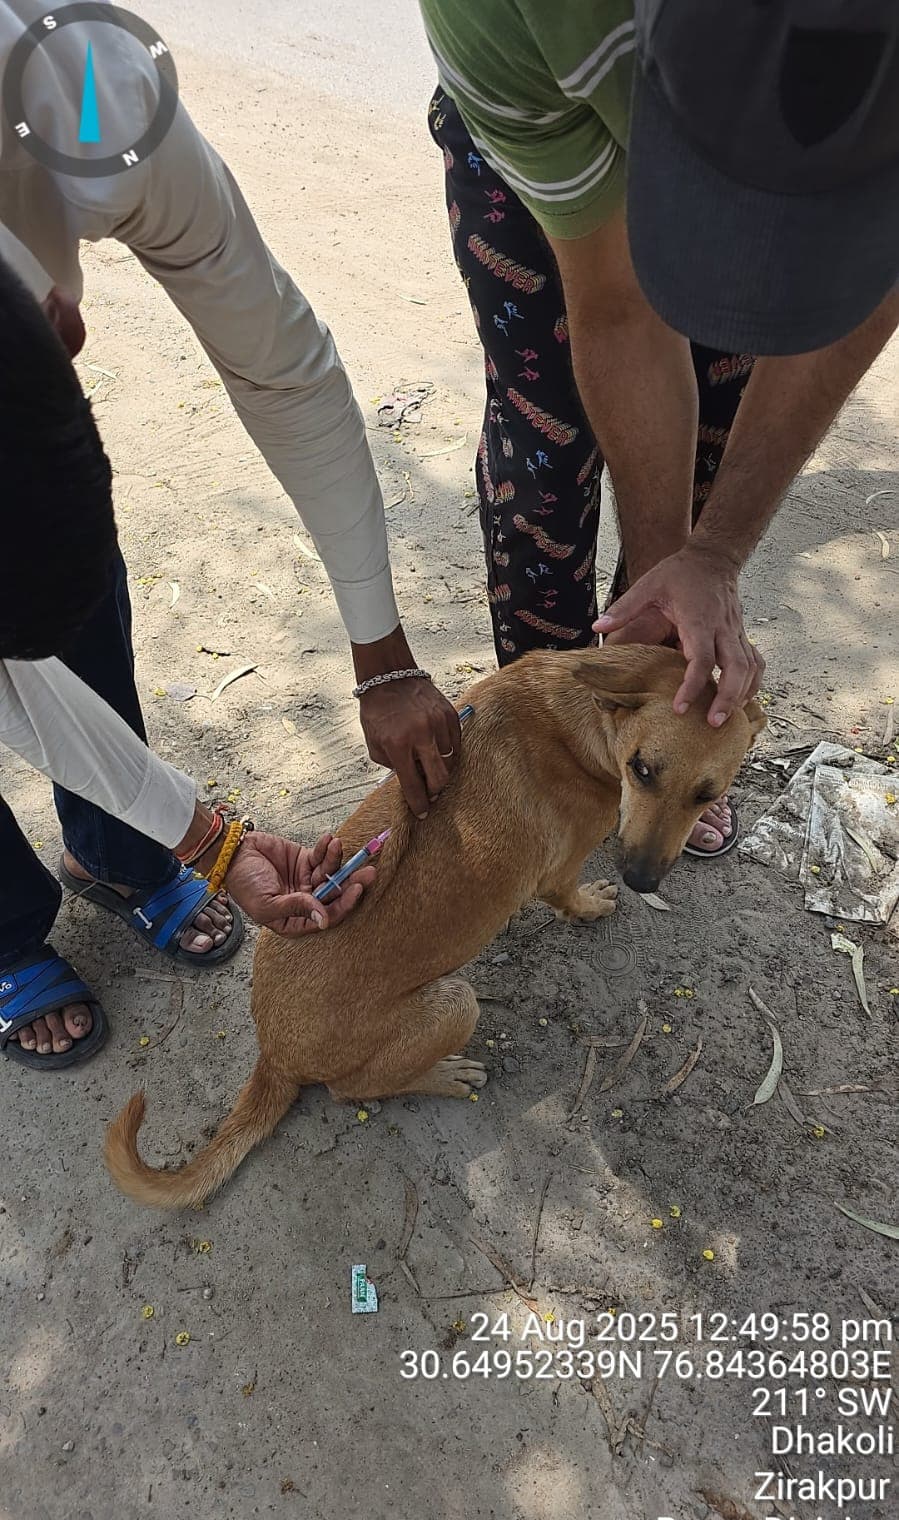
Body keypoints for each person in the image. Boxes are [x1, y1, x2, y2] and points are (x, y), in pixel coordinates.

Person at [422, 0, 899, 855]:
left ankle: (662, 730)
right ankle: (555, 734)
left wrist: (705, 558)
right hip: (547, 127)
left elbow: (848, 316)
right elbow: (616, 310)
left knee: (714, 440)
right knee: (542, 457)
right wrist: (659, 569)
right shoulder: (508, 18)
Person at [0, 254, 375, 1068]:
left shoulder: (85, 141)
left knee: (80, 623)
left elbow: (42, 695)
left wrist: (213, 844)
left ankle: (112, 854)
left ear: (61, 324)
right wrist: (211, 842)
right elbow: (19, 696)